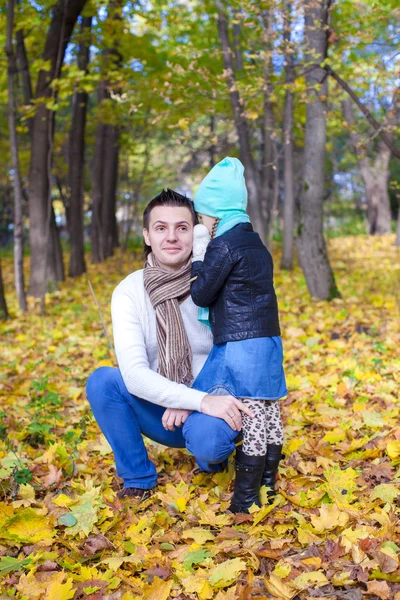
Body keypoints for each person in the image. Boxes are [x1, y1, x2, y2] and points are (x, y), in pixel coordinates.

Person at [86, 189, 254, 500]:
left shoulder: (217, 280)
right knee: (102, 382)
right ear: (147, 235)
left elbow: (237, 354)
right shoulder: (129, 291)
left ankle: (212, 458)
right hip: (162, 410)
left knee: (210, 444)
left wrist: (199, 400)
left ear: (196, 232)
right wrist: (187, 397)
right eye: (161, 228)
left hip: (214, 402)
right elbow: (134, 373)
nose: (172, 237)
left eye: (182, 228)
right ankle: (137, 478)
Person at [190, 157, 287, 514]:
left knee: (252, 414)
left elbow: (202, 293)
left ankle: (244, 501)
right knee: (269, 410)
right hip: (267, 339)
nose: (201, 222)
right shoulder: (256, 244)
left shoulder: (224, 245)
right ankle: (268, 487)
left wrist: (199, 257)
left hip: (242, 342)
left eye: (202, 216)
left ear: (216, 214)